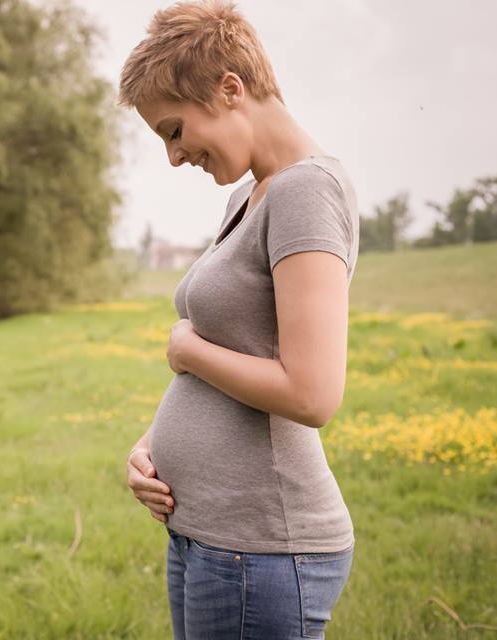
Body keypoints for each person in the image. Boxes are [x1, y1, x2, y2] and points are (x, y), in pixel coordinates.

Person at [119, 1, 358, 638]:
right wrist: (152, 447)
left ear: (230, 88)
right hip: (209, 540)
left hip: (262, 550)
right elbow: (240, 343)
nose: (172, 156)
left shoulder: (307, 191)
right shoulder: (251, 196)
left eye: (174, 130)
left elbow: (312, 394)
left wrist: (186, 352)